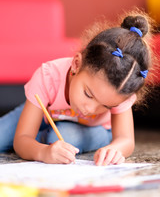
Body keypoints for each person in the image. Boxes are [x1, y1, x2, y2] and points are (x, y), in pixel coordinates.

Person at [0, 10, 154, 166]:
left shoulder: (121, 88)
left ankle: (47, 140)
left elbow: (126, 140)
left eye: (106, 106)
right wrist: (42, 152)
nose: (91, 109)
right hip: (44, 114)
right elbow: (22, 139)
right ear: (76, 64)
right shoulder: (47, 76)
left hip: (91, 129)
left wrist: (115, 149)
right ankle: (43, 140)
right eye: (88, 94)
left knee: (61, 138)